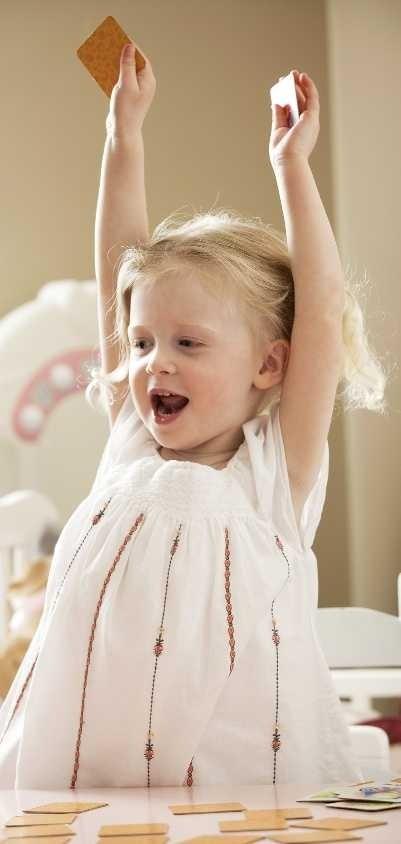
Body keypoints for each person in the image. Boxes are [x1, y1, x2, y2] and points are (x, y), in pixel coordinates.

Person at [0, 43, 386, 789]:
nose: (154, 362)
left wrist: (291, 166)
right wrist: (123, 135)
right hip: (81, 779)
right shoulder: (131, 441)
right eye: (143, 342)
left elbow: (322, 306)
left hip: (234, 785)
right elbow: (117, 260)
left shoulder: (272, 471)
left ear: (268, 365)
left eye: (188, 343)